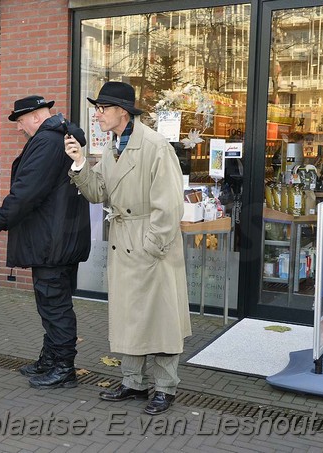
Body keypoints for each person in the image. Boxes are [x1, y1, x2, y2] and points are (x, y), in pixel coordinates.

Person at [64, 81, 192, 415]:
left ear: (122, 111)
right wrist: (79, 164)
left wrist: (153, 245)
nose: (98, 114)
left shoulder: (154, 145)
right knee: (130, 316)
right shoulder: (112, 147)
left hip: (151, 242)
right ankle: (133, 381)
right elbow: (99, 192)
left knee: (160, 317)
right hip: (124, 240)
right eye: (97, 108)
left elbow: (169, 205)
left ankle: (164, 387)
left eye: (102, 108)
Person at [0, 95, 91, 389]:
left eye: (19, 121)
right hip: (59, 237)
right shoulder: (59, 138)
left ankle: (63, 367)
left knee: (54, 305)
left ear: (35, 117)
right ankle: (52, 358)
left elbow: (27, 191)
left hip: (51, 241)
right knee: (52, 302)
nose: (18, 128)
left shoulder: (46, 142)